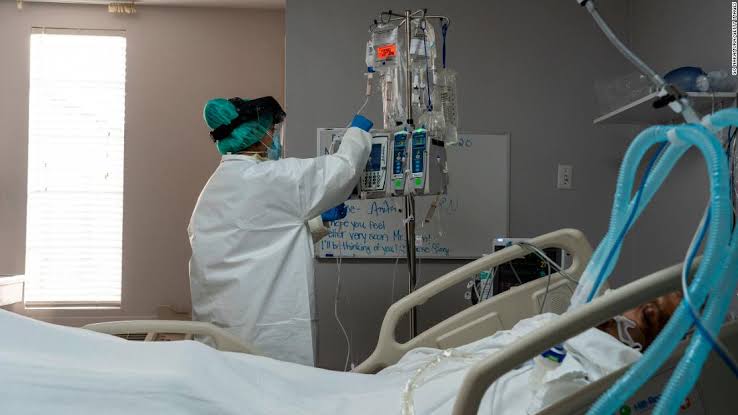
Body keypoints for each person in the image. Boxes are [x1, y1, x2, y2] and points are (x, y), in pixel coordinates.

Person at [0, 292, 688, 414]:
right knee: (191, 366)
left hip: (372, 402)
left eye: (650, 312)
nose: (633, 306)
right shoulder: (562, 329)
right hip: (370, 390)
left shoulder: (595, 366)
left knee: (184, 380)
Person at [188, 96, 373, 366]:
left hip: (220, 333)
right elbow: (343, 169)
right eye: (272, 131)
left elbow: (258, 237)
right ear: (256, 135)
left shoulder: (212, 190)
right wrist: (357, 133)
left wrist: (316, 222)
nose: (274, 139)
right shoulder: (272, 177)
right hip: (267, 336)